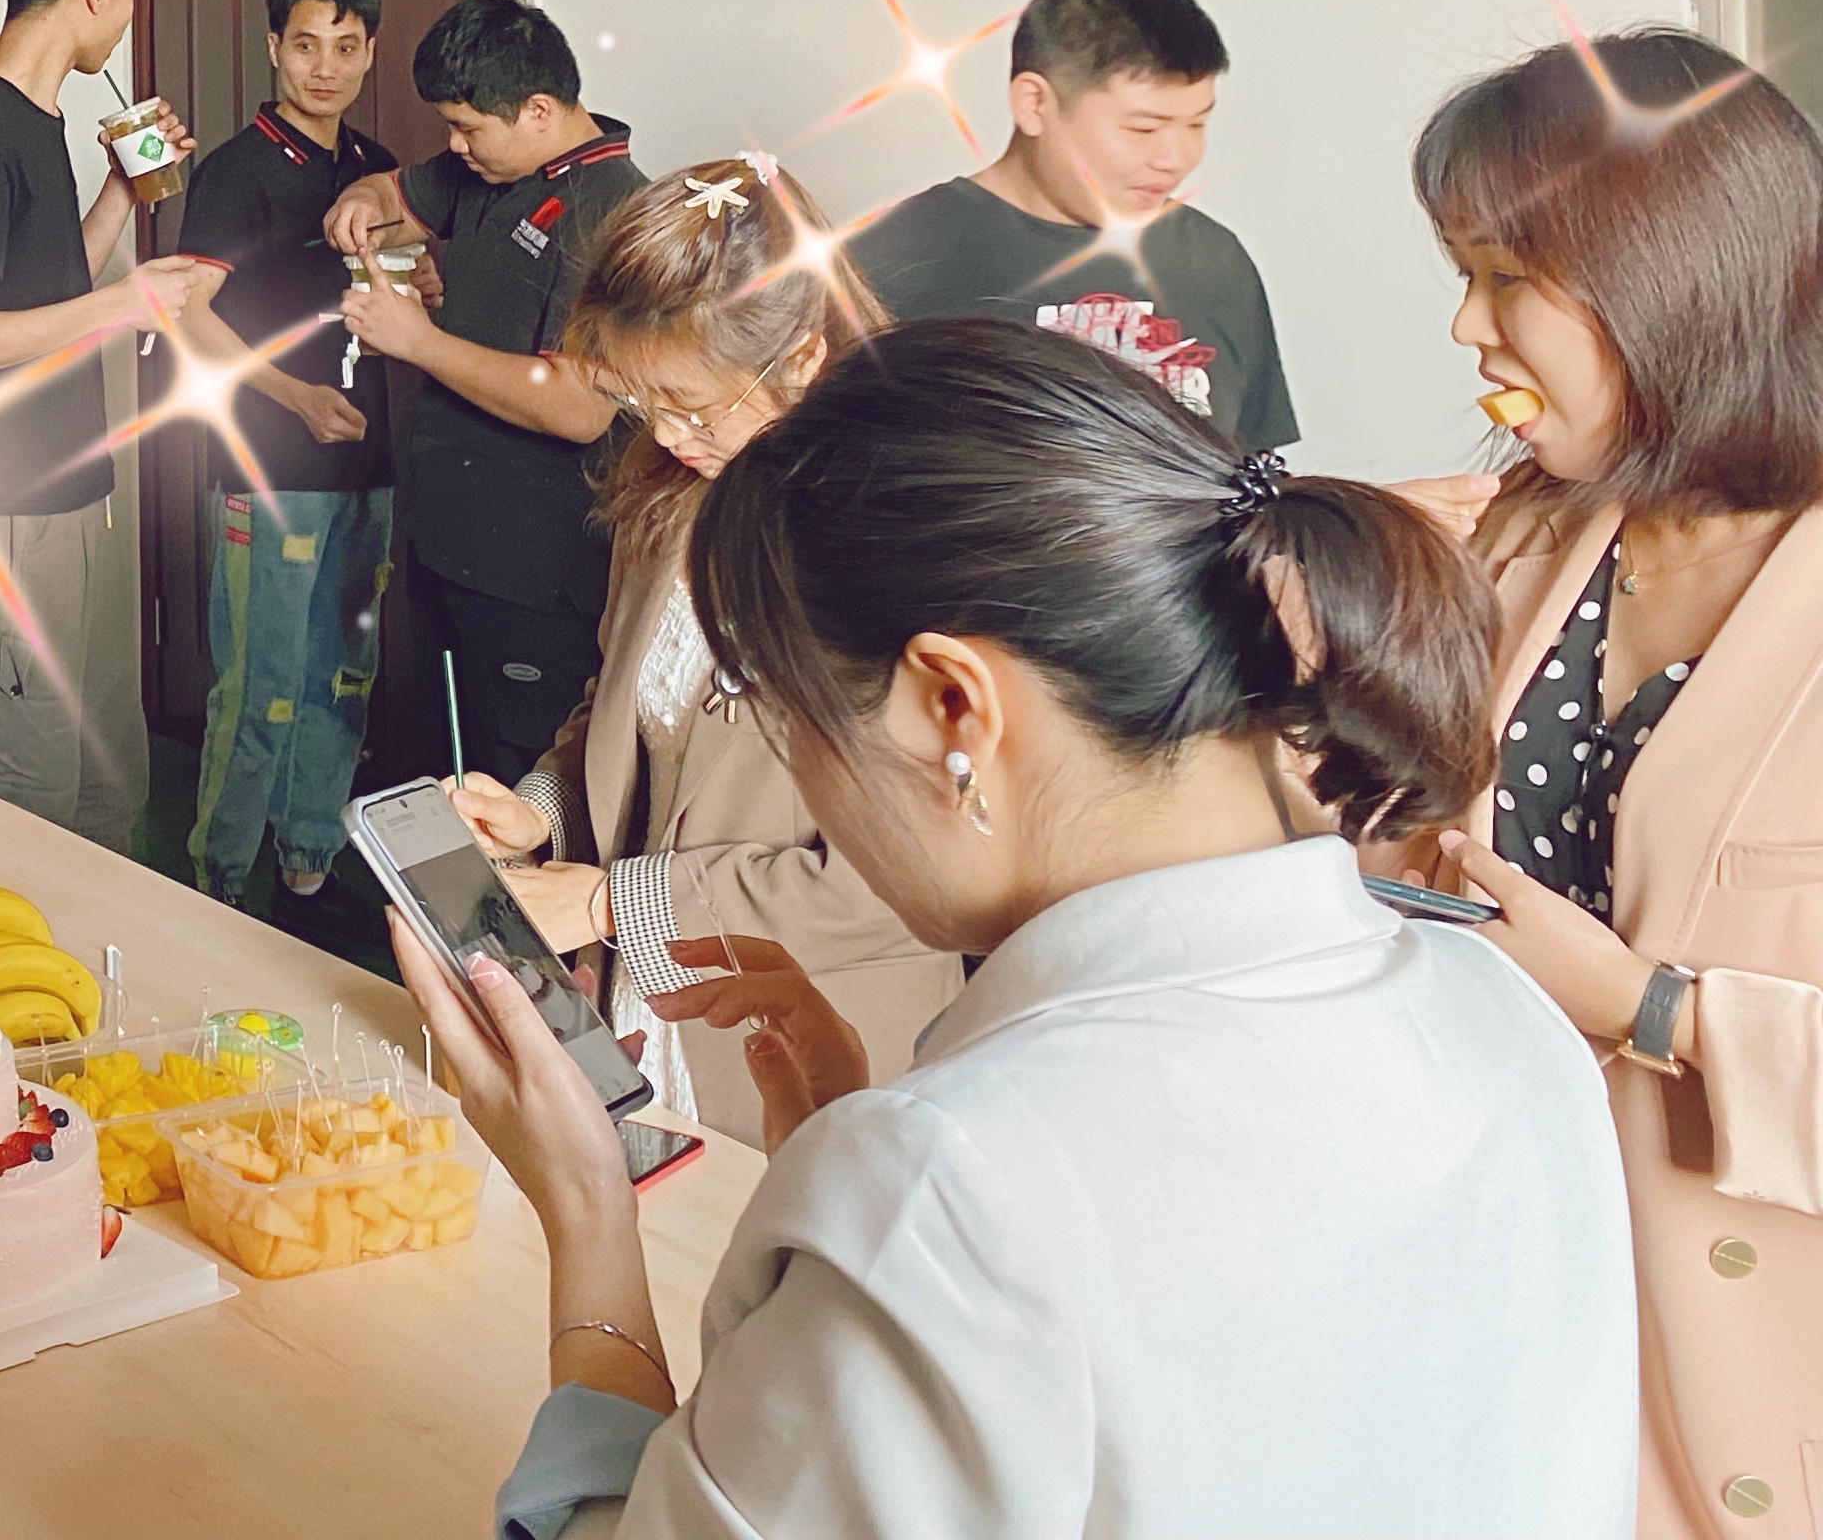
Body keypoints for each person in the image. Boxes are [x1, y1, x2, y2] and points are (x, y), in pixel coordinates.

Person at [394, 316, 1634, 1540]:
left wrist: (589, 1214)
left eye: (794, 726)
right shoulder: (1508, 1018)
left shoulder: (945, 1190)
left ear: (953, 707)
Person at [1383, 29, 1823, 1540]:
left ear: (1674, 278)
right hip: (1523, 1351)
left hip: (1763, 1411)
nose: (1466, 325)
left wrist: (1654, 1011)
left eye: (1506, 277)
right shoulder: (1522, 538)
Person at [440, 155, 953, 1144]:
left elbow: (899, 875)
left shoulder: (898, 548)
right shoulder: (669, 498)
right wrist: (540, 809)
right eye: (644, 403)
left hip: (824, 1037)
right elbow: (620, 712)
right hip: (654, 1009)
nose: (669, 436)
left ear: (802, 359)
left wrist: (612, 902)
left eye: (692, 404)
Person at [0, 0, 207, 853]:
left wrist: (121, 190)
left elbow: (45, 293)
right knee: (30, 797)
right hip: (10, 511)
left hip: (78, 499)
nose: (127, 20)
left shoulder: (42, 126)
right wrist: (128, 304)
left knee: (106, 787)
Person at [321, 0, 643, 779]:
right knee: (444, 765)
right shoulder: (489, 169)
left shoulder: (614, 213)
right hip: (450, 541)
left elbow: (578, 407)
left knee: (515, 781)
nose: (454, 145)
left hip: (533, 572)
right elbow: (396, 194)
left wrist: (419, 343)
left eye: (467, 128)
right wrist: (360, 204)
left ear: (539, 110)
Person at [842, 0, 1297, 451]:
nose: (1176, 158)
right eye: (1143, 128)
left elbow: (1254, 474)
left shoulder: (1213, 261)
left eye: (1196, 124)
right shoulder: (888, 263)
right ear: (1034, 104)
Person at [170, 0, 395, 907]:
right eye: (306, 45)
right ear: (274, 48)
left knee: (342, 674)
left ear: (370, 53)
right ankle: (219, 876)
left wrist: (420, 285)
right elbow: (186, 313)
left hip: (368, 459)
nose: (325, 68)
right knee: (259, 684)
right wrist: (292, 396)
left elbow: (395, 288)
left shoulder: (375, 171)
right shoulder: (237, 170)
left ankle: (311, 851)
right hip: (269, 461)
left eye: (346, 47)